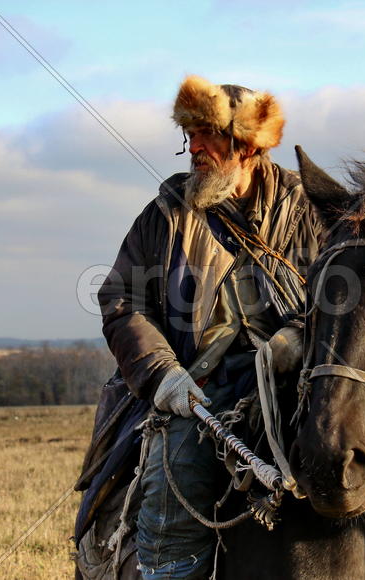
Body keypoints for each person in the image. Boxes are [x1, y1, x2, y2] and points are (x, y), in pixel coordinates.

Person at [85, 75, 323, 580]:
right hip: (198, 388)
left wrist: (303, 337)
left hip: (296, 380)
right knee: (179, 470)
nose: (193, 147)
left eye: (207, 135)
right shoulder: (165, 214)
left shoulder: (312, 209)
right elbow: (120, 299)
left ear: (246, 145)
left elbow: (348, 299)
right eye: (189, 135)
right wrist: (162, 375)